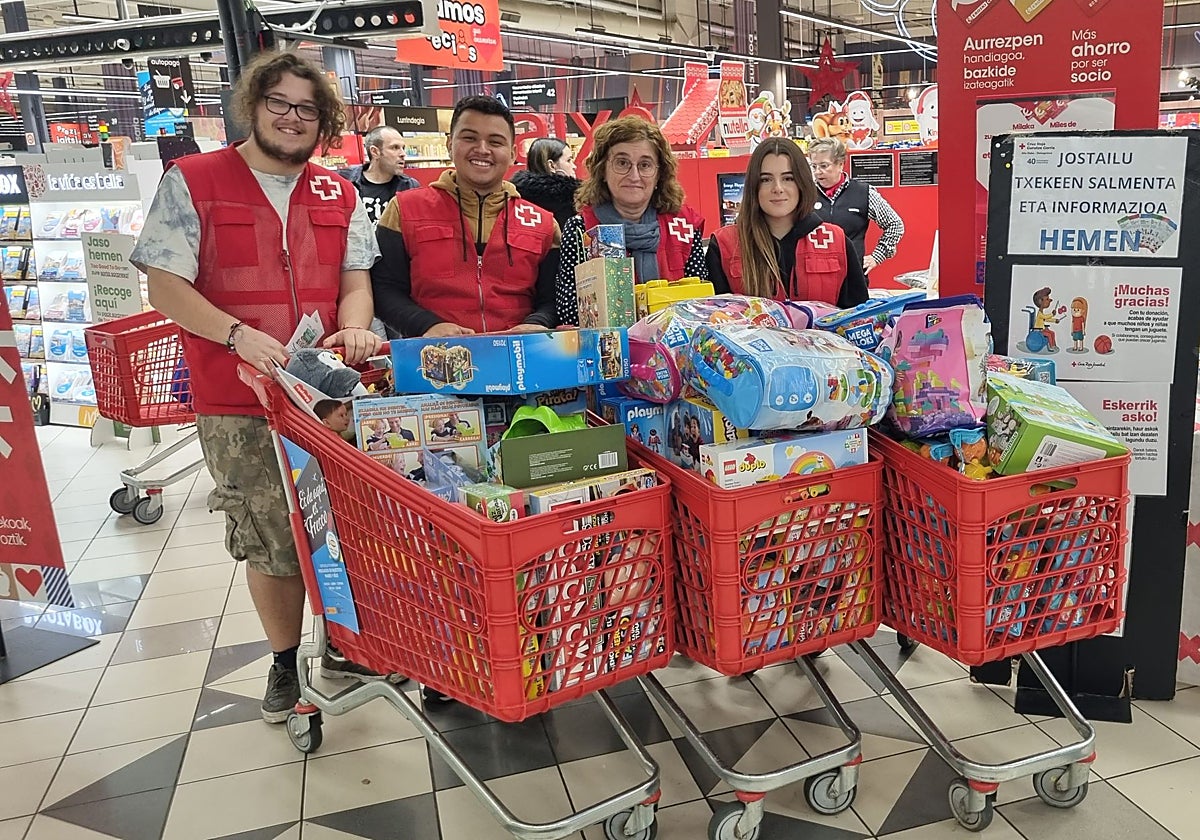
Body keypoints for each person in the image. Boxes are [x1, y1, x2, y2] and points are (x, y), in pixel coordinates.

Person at [130, 51, 388, 726]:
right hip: (236, 398)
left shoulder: (339, 192)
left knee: (345, 526)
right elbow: (164, 285)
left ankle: (343, 644)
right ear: (253, 105)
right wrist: (236, 333)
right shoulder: (194, 180)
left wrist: (355, 331)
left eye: (307, 108)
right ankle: (282, 661)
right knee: (272, 535)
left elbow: (355, 282)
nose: (292, 118)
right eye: (280, 103)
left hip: (328, 399)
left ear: (323, 120)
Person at [372, 96, 560, 338]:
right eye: (469, 138)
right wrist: (427, 325)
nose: (482, 149)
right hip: (432, 361)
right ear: (450, 144)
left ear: (513, 153)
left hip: (521, 360)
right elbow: (384, 289)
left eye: (495, 141)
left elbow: (554, 296)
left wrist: (539, 322)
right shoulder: (404, 210)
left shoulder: (543, 223)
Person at [555, 116, 707, 325]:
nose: (634, 175)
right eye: (622, 163)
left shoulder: (684, 226)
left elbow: (702, 305)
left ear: (658, 175)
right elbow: (569, 311)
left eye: (645, 165)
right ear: (603, 171)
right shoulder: (581, 230)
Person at [706, 138, 868, 308]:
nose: (778, 188)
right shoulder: (725, 244)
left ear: (802, 182)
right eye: (766, 179)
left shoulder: (836, 241)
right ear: (753, 185)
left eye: (788, 178)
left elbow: (856, 320)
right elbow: (715, 320)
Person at [807, 136, 905, 278]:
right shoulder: (806, 195)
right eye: (814, 166)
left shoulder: (864, 192)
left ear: (840, 164)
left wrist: (877, 257)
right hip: (814, 276)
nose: (817, 172)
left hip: (852, 277)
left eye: (824, 166)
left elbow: (895, 225)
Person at [340, 125, 420, 224]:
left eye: (403, 148)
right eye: (395, 147)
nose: (403, 154)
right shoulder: (345, 182)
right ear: (375, 152)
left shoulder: (409, 187)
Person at [511, 137, 581, 228]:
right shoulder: (571, 199)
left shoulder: (516, 196)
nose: (574, 166)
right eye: (569, 160)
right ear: (551, 165)